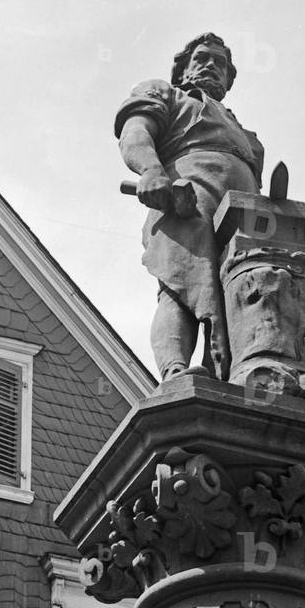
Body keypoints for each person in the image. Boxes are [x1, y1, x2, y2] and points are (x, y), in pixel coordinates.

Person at [116, 33, 264, 381]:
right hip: (188, 199)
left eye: (220, 63)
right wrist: (151, 170)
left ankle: (227, 375)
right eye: (202, 58)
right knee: (180, 285)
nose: (211, 65)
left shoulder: (248, 137)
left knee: (240, 290)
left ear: (228, 79)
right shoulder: (166, 95)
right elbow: (135, 132)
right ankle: (175, 370)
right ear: (182, 70)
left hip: (244, 215)